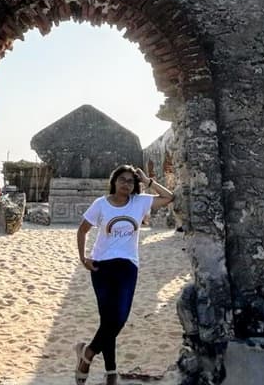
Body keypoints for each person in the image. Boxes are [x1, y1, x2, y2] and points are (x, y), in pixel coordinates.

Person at [75, 164, 173, 385]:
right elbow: (82, 229)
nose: (127, 184)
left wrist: (147, 181)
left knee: (119, 318)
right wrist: (83, 258)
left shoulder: (140, 202)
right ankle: (111, 373)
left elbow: (169, 197)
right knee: (107, 319)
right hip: (101, 266)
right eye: (123, 180)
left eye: (131, 181)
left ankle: (87, 353)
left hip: (128, 266)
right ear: (114, 181)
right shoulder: (101, 204)